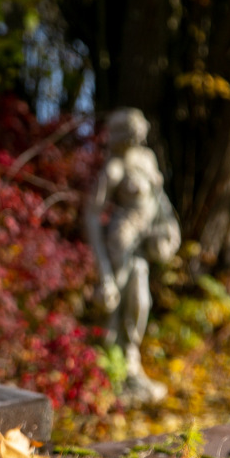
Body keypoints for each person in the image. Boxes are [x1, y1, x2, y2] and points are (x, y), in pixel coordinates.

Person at [85, 108, 180, 403]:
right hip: (121, 243)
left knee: (140, 301)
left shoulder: (146, 159)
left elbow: (158, 199)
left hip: (145, 241)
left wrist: (169, 227)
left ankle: (131, 366)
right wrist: (104, 273)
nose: (137, 137)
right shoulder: (113, 169)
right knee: (115, 305)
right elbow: (90, 215)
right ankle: (110, 373)